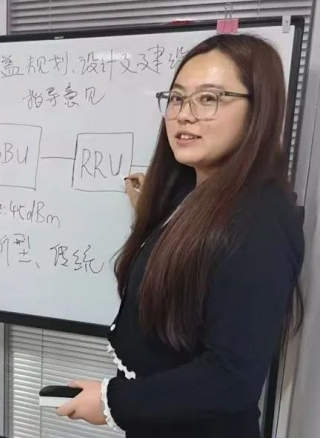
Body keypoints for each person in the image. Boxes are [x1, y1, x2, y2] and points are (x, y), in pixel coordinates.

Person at [55, 34, 305, 438]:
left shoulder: (260, 221)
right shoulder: (191, 196)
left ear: (258, 110)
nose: (184, 115)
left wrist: (112, 402)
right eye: (176, 98)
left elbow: (231, 377)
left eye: (209, 98)